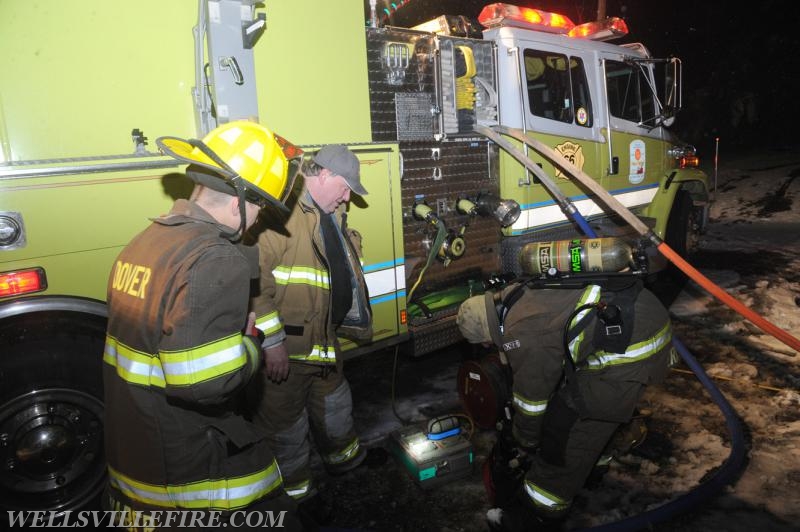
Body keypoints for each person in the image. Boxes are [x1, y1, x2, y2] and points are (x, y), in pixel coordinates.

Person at [102, 120, 307, 530]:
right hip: (191, 467)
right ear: (239, 203)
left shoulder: (144, 243)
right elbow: (204, 381)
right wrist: (251, 344)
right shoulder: (216, 258)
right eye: (260, 209)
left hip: (135, 453)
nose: (254, 224)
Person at [456, 276, 677, 531]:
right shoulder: (515, 295)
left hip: (630, 350)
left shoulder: (522, 331)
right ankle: (593, 471)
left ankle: (535, 516)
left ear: (485, 330)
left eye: (484, 341)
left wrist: (525, 441)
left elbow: (532, 402)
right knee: (585, 410)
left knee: (567, 432)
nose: (488, 345)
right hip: (640, 321)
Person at [248, 144, 372, 515]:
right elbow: (254, 287)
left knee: (335, 408)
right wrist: (272, 343)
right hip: (289, 352)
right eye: (346, 186)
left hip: (325, 344)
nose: (348, 196)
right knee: (285, 431)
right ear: (325, 175)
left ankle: (345, 462)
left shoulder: (329, 211)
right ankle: (297, 498)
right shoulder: (279, 215)